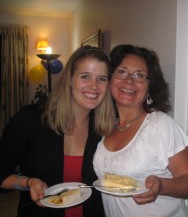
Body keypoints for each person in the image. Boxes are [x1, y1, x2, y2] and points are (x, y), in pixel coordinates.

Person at [0, 45, 115, 217]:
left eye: (102, 79)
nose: (94, 86)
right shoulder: (31, 119)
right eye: (85, 76)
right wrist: (28, 182)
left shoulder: (105, 128)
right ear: (69, 79)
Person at [93, 44, 188, 217]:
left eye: (139, 75)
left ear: (149, 86)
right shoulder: (108, 127)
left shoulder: (160, 125)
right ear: (110, 79)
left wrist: (161, 185)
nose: (129, 81)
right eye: (122, 72)